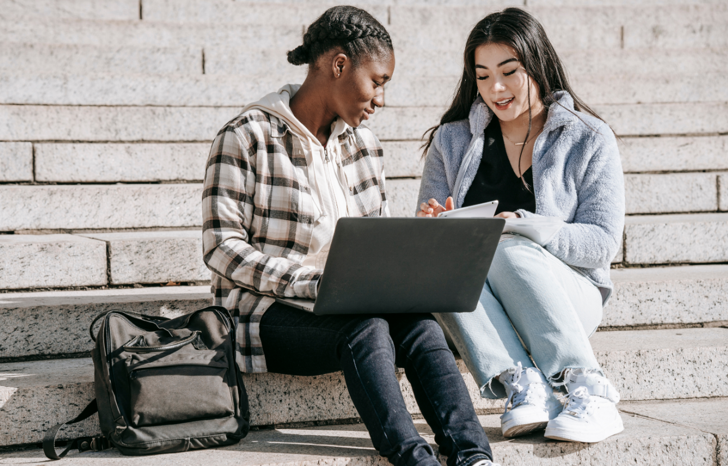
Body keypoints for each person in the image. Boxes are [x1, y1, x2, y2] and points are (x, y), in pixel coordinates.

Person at [202, 6, 498, 466]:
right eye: (377, 81)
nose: (381, 98)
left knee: (420, 324)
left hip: (352, 299)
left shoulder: (365, 145)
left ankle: (474, 455)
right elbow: (221, 248)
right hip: (264, 314)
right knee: (368, 328)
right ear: (339, 65)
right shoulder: (246, 137)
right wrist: (311, 284)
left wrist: (420, 243)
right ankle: (413, 458)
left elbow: (372, 237)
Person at [416, 8, 625, 444]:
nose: (496, 88)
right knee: (442, 257)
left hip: (566, 296)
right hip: (483, 306)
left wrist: (526, 227)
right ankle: (522, 385)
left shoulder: (588, 137)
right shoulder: (452, 140)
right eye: (483, 75)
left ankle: (589, 387)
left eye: (509, 72)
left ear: (538, 65)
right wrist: (434, 227)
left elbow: (601, 243)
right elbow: (428, 229)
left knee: (505, 244)